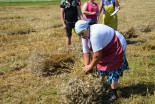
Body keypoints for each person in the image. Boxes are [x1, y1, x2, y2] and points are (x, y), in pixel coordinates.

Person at [75, 20, 129, 101]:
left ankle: (113, 94)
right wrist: (87, 66)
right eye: (79, 34)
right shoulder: (84, 37)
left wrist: (91, 66)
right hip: (105, 47)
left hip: (116, 43)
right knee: (101, 64)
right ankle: (99, 88)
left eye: (82, 33)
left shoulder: (95, 34)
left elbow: (97, 55)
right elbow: (86, 53)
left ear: (87, 28)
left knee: (113, 69)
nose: (81, 36)